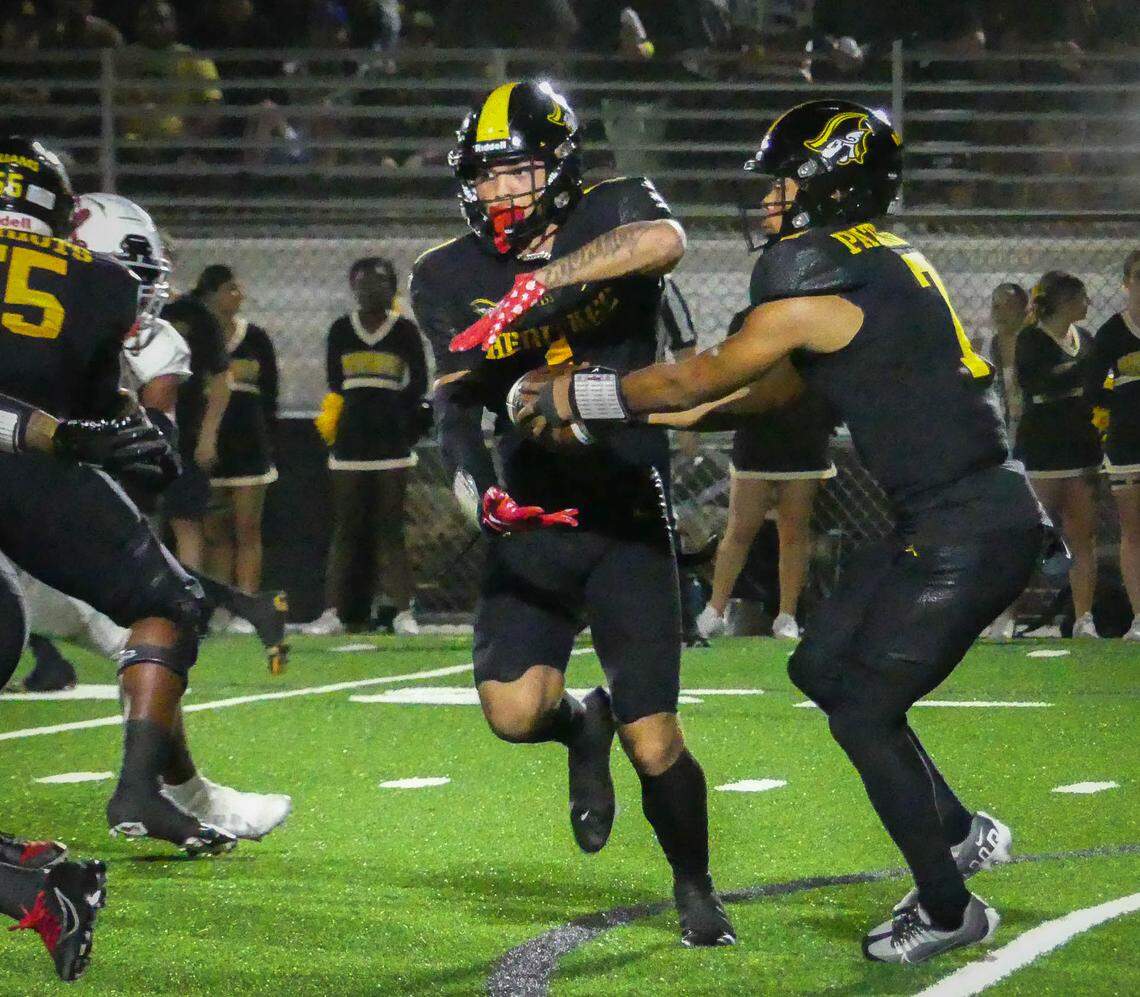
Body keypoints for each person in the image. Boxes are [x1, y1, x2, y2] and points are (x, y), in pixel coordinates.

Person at [522, 99, 1047, 964]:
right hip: (956, 512)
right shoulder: (879, 262)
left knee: (866, 711)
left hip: (968, 526)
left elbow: (702, 374)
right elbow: (772, 390)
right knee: (821, 664)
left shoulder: (816, 274)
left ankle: (951, 907)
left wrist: (582, 394)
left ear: (831, 185)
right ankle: (955, 829)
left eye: (784, 183)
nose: (769, 201)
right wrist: (658, 416)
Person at [411, 80, 735, 947]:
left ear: (558, 167)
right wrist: (477, 489)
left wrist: (541, 285)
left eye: (516, 172)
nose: (499, 194)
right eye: (485, 177)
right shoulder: (443, 274)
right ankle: (576, 724)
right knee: (514, 712)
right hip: (534, 510)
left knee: (656, 736)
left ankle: (694, 884)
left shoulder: (612, 209)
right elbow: (455, 405)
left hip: (627, 505)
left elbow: (662, 240)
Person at [0, 137, 245, 860]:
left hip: (36, 463)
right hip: (35, 472)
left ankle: (155, 789)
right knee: (166, 600)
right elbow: (97, 425)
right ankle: (140, 786)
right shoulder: (97, 283)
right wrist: (91, 435)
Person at [696, 308, 836, 640]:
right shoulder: (748, 319)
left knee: (794, 529)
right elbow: (734, 369)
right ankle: (714, 610)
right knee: (740, 528)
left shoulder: (816, 321)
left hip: (804, 434)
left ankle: (786, 616)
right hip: (756, 434)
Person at [306, 257, 427, 637]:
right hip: (351, 439)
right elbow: (335, 381)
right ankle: (332, 613)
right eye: (362, 283)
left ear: (392, 290)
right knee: (345, 528)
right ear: (352, 287)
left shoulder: (404, 330)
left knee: (390, 530)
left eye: (379, 283)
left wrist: (394, 415)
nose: (370, 290)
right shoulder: (342, 329)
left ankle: (404, 613)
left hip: (391, 441)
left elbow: (419, 382)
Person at [1014, 271, 1101, 638]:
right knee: (1029, 537)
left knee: (1083, 536)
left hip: (1080, 448)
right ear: (1063, 301)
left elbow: (1095, 382)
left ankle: (1084, 618)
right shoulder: (1031, 339)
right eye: (1080, 298)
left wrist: (1078, 378)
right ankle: (1005, 616)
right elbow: (1038, 382)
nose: (1087, 305)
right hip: (1042, 451)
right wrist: (1080, 375)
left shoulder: (1086, 338)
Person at [193, 265, 279, 623]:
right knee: (214, 534)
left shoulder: (255, 337)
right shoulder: (196, 339)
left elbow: (271, 392)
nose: (238, 295)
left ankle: (246, 610)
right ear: (210, 295)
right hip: (209, 445)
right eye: (230, 289)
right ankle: (220, 610)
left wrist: (267, 437)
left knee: (247, 529)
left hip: (249, 445)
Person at [160, 251, 232, 574]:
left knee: (185, 519)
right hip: (130, 425)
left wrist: (208, 436)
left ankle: (189, 605)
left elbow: (220, 379)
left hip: (182, 432)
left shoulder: (192, 314)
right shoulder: (117, 301)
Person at [1087, 249, 1140, 639]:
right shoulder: (1112, 333)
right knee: (1134, 531)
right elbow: (1091, 389)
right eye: (1138, 276)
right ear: (1126, 282)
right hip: (1127, 446)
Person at [981, 281, 1029, 640]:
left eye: (1006, 306)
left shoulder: (1034, 343)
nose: (998, 312)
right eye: (995, 305)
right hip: (1003, 446)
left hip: (1034, 445)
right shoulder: (990, 346)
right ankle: (1000, 613)